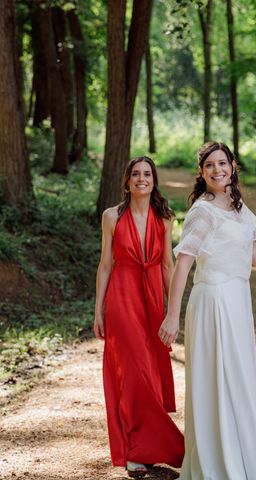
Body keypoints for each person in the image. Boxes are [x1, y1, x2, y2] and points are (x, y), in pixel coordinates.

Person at [158, 141, 256, 480]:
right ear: (202, 172)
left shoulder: (236, 205)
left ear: (232, 166)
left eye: (222, 163)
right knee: (218, 380)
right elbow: (183, 264)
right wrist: (172, 314)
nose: (217, 170)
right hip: (213, 302)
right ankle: (218, 462)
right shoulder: (203, 211)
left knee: (240, 376)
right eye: (209, 165)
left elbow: (250, 245)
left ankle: (244, 453)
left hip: (237, 300)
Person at [94, 156, 184, 478]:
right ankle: (135, 452)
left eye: (147, 174)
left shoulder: (166, 217)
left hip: (153, 300)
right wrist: (99, 310)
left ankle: (151, 446)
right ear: (127, 180)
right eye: (136, 174)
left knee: (152, 371)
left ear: (153, 180)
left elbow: (167, 266)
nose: (141, 179)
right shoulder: (111, 217)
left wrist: (173, 311)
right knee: (132, 372)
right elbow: (105, 265)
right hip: (122, 298)